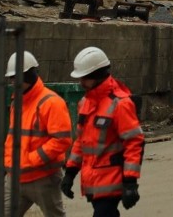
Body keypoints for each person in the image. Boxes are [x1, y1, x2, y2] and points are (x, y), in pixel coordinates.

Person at [61, 47, 145, 217]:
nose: (81, 82)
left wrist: (130, 182)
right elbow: (81, 142)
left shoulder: (120, 104)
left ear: (96, 75)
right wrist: (70, 172)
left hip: (111, 183)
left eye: (84, 78)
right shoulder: (85, 102)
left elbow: (134, 142)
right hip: (93, 182)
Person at [4, 51, 73, 217]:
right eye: (11, 78)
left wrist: (33, 159)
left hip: (43, 178)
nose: (12, 82)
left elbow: (62, 140)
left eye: (15, 78)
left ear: (27, 76)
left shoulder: (52, 103)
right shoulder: (16, 102)